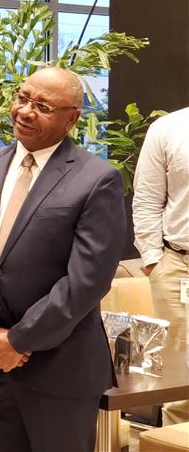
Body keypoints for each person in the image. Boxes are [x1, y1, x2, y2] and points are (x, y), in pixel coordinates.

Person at [0, 67, 125, 452]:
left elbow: (87, 280)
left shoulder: (97, 179)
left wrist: (19, 339)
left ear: (71, 119)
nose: (25, 111)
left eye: (42, 106)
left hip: (61, 371)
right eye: (23, 98)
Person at [132, 106, 189, 425]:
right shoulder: (170, 128)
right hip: (179, 266)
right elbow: (146, 199)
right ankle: (174, 442)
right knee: (180, 378)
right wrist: (154, 261)